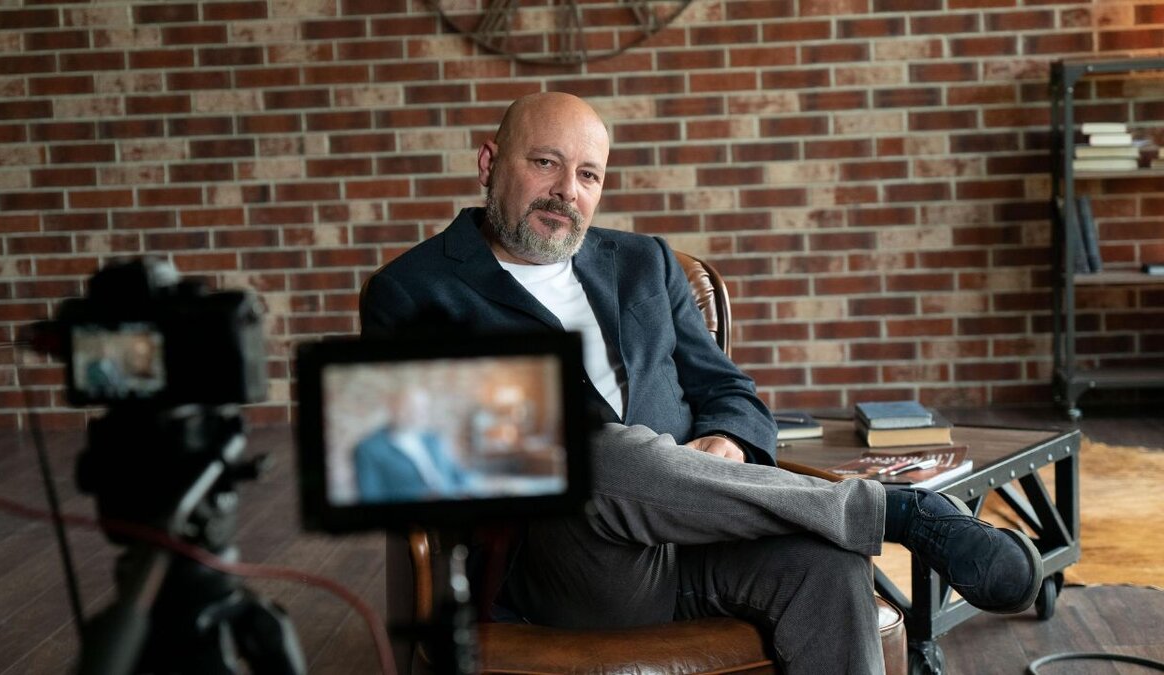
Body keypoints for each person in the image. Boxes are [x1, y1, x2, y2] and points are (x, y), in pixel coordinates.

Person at [360, 92, 1043, 674]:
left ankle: (876, 515)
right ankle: (897, 513)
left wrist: (727, 442)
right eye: (545, 162)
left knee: (830, 566)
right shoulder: (414, 291)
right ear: (489, 163)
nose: (567, 190)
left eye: (589, 174)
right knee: (585, 450)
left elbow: (731, 394)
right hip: (563, 569)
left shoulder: (644, 264)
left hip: (701, 546)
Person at [354, 386, 472, 502]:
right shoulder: (369, 449)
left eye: (423, 408)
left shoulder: (433, 439)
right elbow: (370, 497)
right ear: (392, 408)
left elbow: (458, 475)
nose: (418, 414)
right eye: (410, 407)